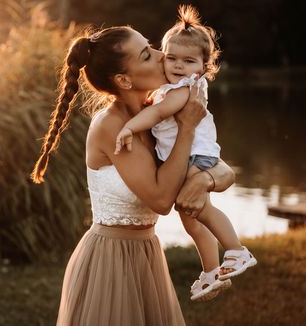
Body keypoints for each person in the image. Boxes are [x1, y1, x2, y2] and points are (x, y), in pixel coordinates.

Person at [31, 24, 234, 325]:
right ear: (124, 80)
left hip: (146, 254)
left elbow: (224, 171)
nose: (160, 55)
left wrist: (204, 179)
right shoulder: (111, 127)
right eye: (146, 55)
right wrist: (188, 128)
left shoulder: (155, 116)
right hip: (110, 261)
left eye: (152, 47)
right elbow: (162, 201)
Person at [114, 5, 257, 302]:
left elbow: (158, 114)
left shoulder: (184, 90)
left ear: (204, 67)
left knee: (200, 210)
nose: (178, 66)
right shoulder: (172, 87)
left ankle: (237, 250)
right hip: (191, 155)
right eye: (172, 58)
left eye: (188, 60)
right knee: (192, 219)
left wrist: (129, 127)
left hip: (195, 156)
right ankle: (211, 272)